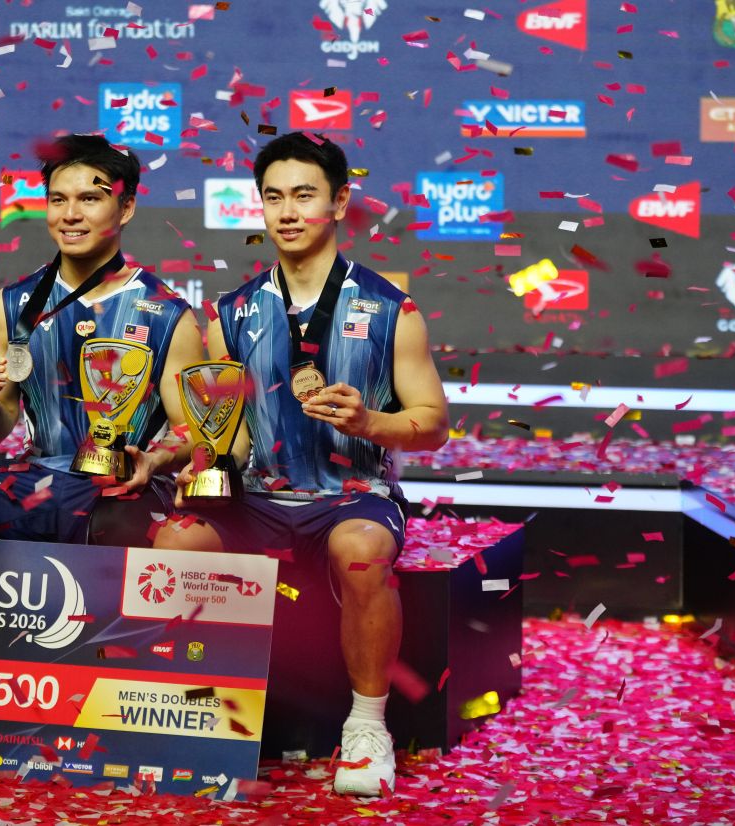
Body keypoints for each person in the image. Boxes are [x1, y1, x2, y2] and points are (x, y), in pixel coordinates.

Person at [157, 132, 448, 796]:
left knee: (363, 551)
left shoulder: (389, 310)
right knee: (178, 539)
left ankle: (366, 727)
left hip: (352, 496)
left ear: (340, 201)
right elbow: (224, 432)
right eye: (274, 197)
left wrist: (370, 421)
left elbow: (432, 423)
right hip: (259, 498)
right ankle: (206, 721)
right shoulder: (231, 313)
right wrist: (191, 457)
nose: (287, 212)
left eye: (305, 196)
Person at [0, 134, 203, 542]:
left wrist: (154, 459)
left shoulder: (169, 314)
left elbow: (192, 431)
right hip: (35, 478)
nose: (70, 215)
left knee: (121, 527)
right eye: (58, 200)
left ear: (126, 207)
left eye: (90, 199)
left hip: (124, 487)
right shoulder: (12, 303)